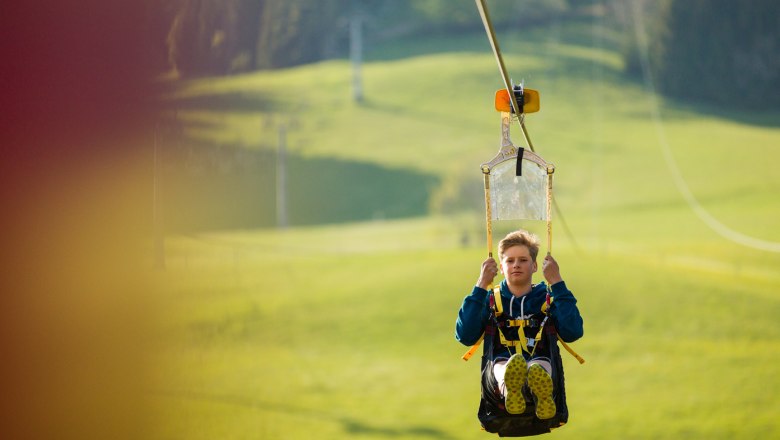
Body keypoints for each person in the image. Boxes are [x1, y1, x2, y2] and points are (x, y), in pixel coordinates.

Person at [455, 230, 583, 420]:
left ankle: (540, 394)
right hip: (499, 372)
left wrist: (556, 281)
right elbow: (465, 336)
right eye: (510, 261)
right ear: (501, 267)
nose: (516, 265)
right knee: (502, 367)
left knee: (537, 366)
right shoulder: (489, 300)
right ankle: (510, 389)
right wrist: (481, 284)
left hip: (542, 362)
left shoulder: (547, 298)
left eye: (523, 260)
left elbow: (573, 332)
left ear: (534, 266)